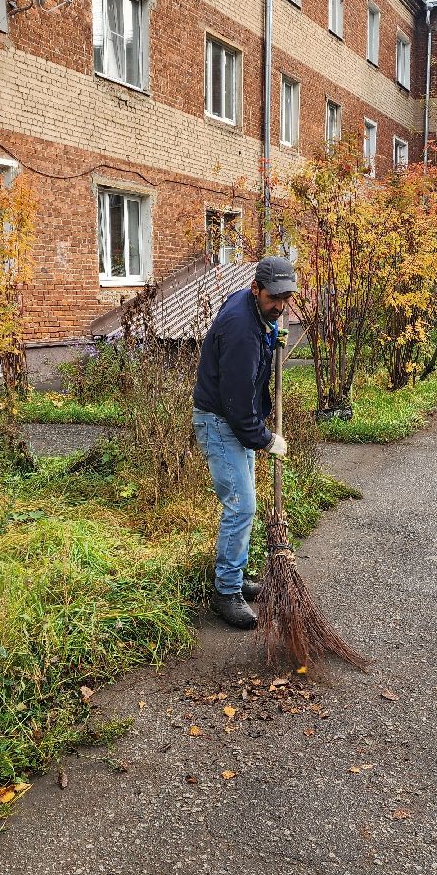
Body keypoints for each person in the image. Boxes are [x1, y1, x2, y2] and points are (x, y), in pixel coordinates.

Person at [192, 256, 295, 629]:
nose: (280, 306)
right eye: (274, 299)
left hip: (232, 418)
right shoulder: (240, 329)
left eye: (286, 298)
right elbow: (236, 401)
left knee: (243, 503)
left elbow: (257, 344)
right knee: (241, 506)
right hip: (221, 422)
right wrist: (266, 439)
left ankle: (236, 577)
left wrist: (271, 337)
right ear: (256, 289)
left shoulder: (254, 314)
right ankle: (226, 592)